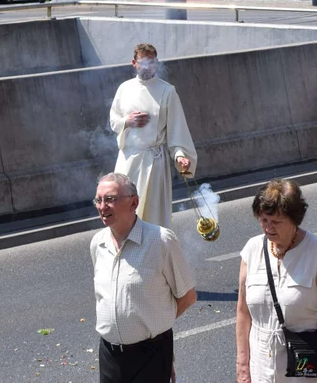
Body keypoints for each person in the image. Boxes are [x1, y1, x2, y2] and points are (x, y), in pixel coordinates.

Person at [237, 180, 317, 383]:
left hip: (306, 370)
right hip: (261, 368)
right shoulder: (251, 250)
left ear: (294, 219)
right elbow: (243, 313)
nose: (268, 228)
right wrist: (242, 365)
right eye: (263, 220)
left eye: (276, 222)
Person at [91, 173, 196, 383]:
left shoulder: (160, 241)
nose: (103, 206)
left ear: (134, 202)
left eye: (110, 199)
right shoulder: (97, 243)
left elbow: (187, 296)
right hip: (109, 356)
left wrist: (157, 324)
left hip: (151, 354)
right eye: (98, 200)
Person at [109, 43, 197, 230]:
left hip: (154, 164)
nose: (148, 67)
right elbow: (113, 121)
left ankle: (155, 254)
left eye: (152, 63)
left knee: (153, 218)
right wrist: (127, 121)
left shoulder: (167, 91)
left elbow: (177, 129)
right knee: (123, 211)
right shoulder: (124, 89)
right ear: (134, 63)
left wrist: (180, 155)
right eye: (143, 63)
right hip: (128, 160)